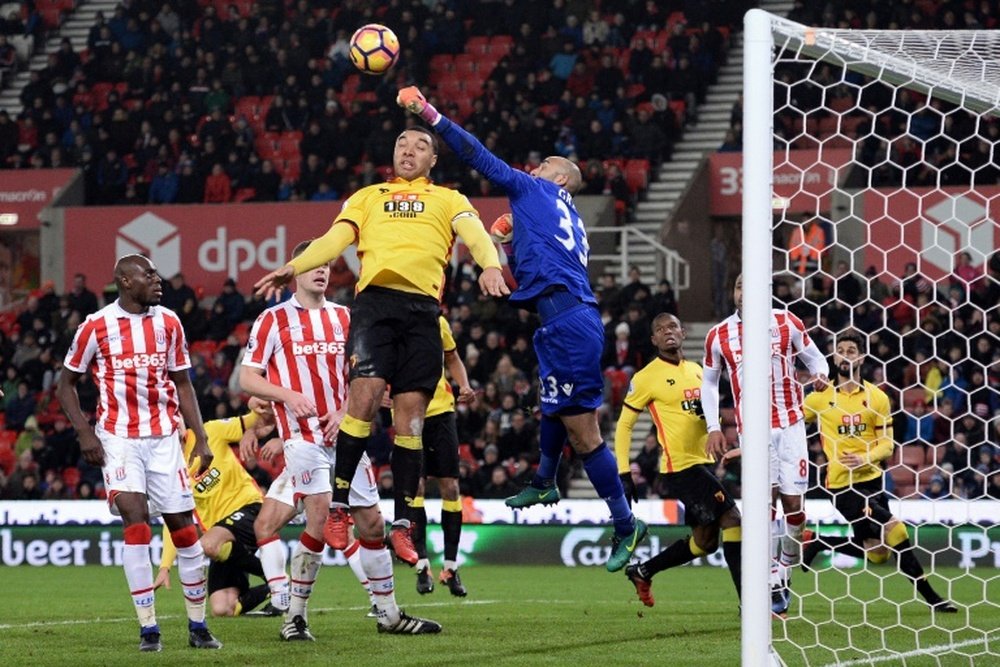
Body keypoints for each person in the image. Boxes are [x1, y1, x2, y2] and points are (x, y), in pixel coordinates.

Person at [398, 85, 646, 573]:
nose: (532, 170)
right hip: (560, 319)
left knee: (583, 430)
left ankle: (624, 523)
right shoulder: (566, 217)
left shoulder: (536, 190)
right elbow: (536, 272)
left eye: (543, 166)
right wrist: (505, 244)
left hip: (570, 321)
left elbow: (479, 156)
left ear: (559, 178)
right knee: (553, 405)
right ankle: (544, 479)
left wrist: (430, 114)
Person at [253, 127, 508, 565]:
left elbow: (478, 235)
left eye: (421, 146)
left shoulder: (450, 200)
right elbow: (334, 242)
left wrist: (489, 264)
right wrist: (293, 266)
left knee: (409, 424)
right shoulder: (368, 196)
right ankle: (337, 508)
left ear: (433, 161)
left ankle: (404, 524)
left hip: (424, 312)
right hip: (375, 306)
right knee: (364, 401)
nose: (409, 151)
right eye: (402, 145)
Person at [242, 240, 440, 640]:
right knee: (319, 516)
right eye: (314, 265)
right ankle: (294, 618)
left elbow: (369, 376)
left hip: (347, 436)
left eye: (327, 265)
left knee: (370, 523)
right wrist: (287, 396)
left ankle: (388, 613)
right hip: (302, 438)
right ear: (296, 270)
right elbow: (248, 378)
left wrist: (345, 410)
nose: (322, 271)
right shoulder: (273, 319)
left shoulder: (347, 318)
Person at [56, 254, 222, 652]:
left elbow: (182, 383)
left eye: (156, 273)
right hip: (118, 438)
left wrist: (200, 436)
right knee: (135, 517)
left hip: (164, 438)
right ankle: (149, 628)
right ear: (125, 282)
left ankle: (197, 627)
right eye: (147, 274)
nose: (157, 279)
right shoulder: (96, 325)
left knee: (184, 530)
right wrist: (85, 434)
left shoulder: (169, 321)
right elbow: (66, 384)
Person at [800, 331, 957, 613]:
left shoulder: (877, 397)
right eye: (840, 350)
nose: (845, 355)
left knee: (878, 554)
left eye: (851, 350)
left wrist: (864, 457)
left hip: (872, 481)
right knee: (895, 528)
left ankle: (820, 542)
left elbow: (887, 445)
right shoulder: (819, 399)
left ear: (861, 356)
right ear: (833, 357)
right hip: (840, 485)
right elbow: (790, 421)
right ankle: (933, 598)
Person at [701, 273, 829, 616]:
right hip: (753, 429)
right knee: (764, 505)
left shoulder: (786, 322)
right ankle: (772, 580)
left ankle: (785, 567)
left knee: (794, 507)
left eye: (749, 284)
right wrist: (714, 426)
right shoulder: (719, 335)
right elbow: (709, 384)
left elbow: (817, 359)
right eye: (738, 284)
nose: (743, 291)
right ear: (734, 291)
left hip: (791, 424)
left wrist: (820, 377)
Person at [614, 313, 742, 606]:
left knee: (706, 542)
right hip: (680, 467)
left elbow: (705, 414)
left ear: (683, 332)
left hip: (703, 463)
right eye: (659, 329)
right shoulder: (646, 377)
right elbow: (624, 426)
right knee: (734, 520)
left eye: (672, 326)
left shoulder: (698, 371)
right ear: (654, 340)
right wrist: (624, 472)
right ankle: (750, 605)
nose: (667, 332)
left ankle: (643, 571)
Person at [153, 397, 278, 618]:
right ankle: (274, 590)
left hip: (249, 508)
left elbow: (256, 421)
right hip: (224, 540)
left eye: (176, 419)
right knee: (223, 609)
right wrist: (165, 566)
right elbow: (173, 521)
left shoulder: (210, 432)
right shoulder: (171, 471)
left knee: (206, 544)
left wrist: (255, 408)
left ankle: (276, 580)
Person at [410, 315, 474, 597]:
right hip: (407, 412)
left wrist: (465, 384)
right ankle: (422, 566)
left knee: (451, 487)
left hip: (441, 412)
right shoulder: (391, 320)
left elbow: (453, 358)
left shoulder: (438, 322)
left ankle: (450, 567)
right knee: (416, 487)